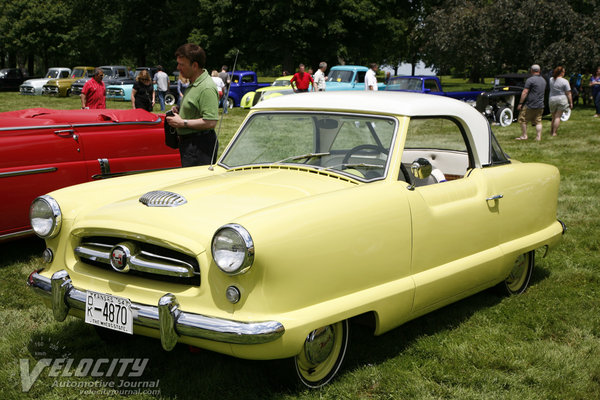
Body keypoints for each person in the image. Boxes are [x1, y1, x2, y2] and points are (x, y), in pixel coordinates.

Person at [166, 43, 219, 167]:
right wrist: (181, 110)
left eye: (181, 64)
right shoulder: (194, 82)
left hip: (199, 146)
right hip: (191, 145)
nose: (178, 67)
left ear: (194, 65)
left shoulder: (206, 87)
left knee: (197, 184)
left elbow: (211, 122)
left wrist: (182, 122)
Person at [515, 64, 547, 141]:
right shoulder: (543, 80)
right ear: (539, 71)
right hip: (540, 104)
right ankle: (538, 137)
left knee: (523, 120)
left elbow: (525, 92)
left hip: (530, 104)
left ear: (531, 70)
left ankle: (524, 136)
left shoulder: (530, 80)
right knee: (538, 121)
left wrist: (520, 103)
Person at [548, 66, 573, 137]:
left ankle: (551, 131)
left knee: (553, 117)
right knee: (558, 117)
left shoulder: (551, 80)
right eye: (564, 72)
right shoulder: (565, 81)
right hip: (562, 99)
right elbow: (568, 93)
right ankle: (554, 133)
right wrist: (571, 102)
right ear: (561, 73)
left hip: (552, 99)